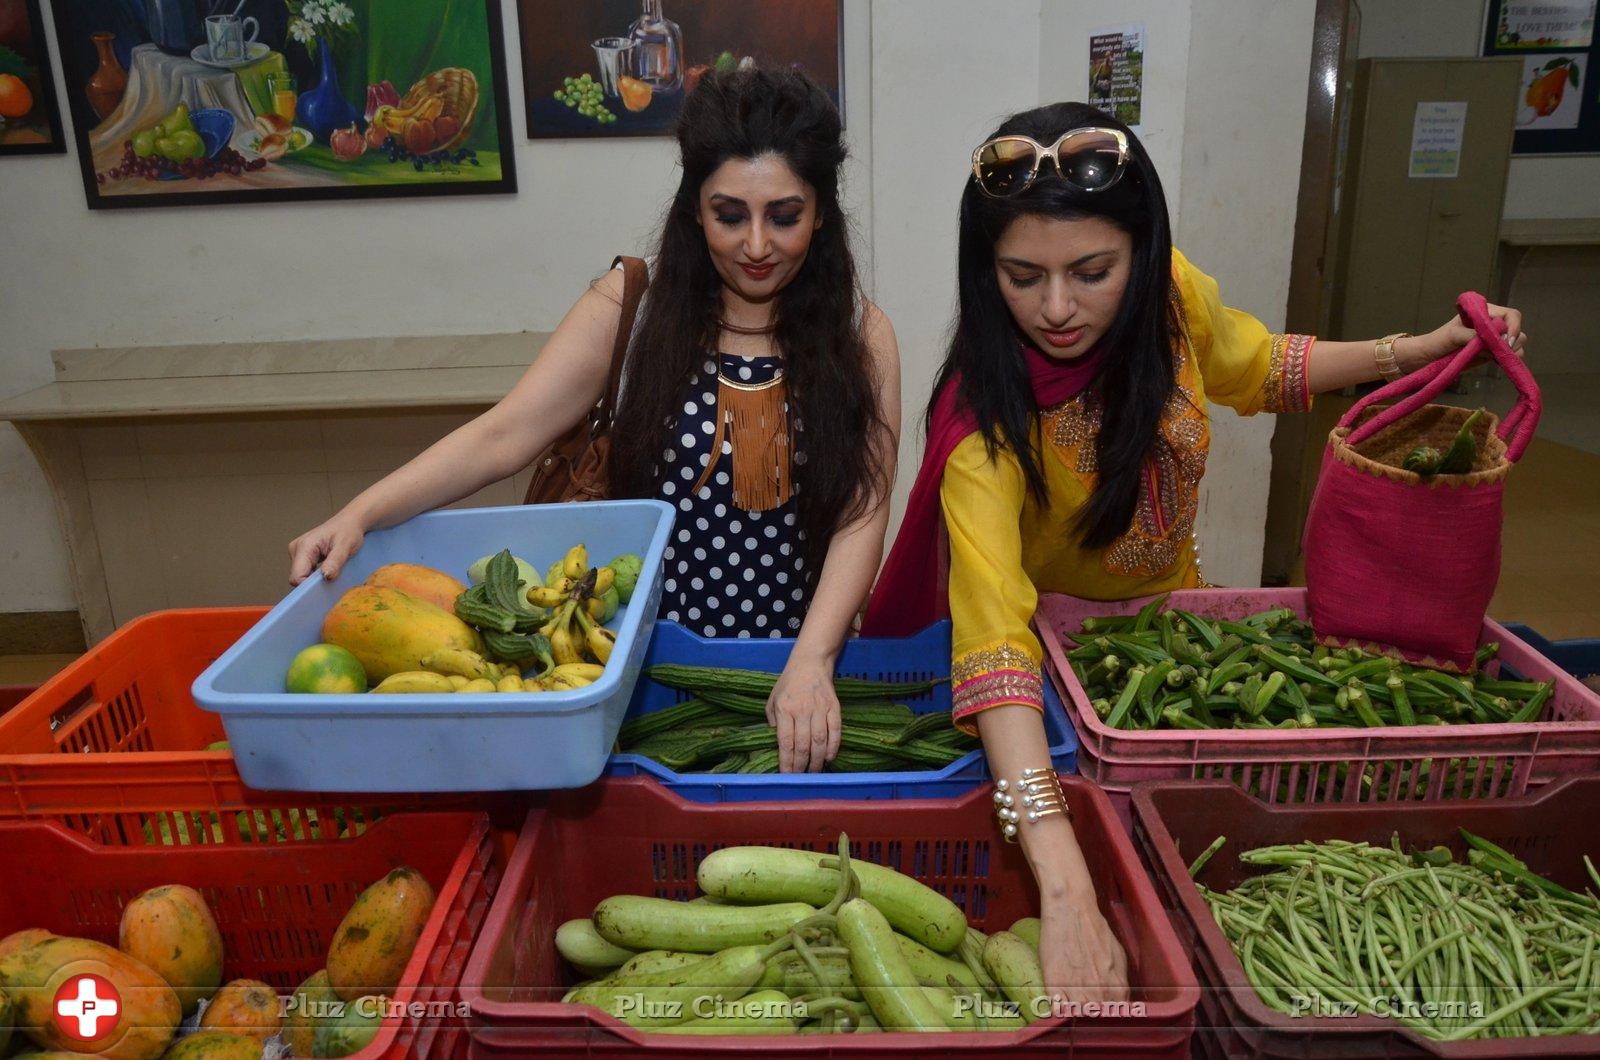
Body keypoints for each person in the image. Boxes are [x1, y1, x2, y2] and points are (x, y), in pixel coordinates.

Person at [863, 101, 1526, 1001]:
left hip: (1181, 647)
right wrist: (1063, 888)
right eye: (1023, 276)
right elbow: (994, 645)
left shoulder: (1172, 298)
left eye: (1092, 271)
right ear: (987, 274)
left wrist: (1416, 351)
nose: (1057, 309)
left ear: (1142, 254)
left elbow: (1258, 367)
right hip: (1063, 689)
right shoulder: (985, 432)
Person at [290, 69, 901, 773]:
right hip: (630, 675)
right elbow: (504, 435)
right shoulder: (633, 311)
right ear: (693, 210)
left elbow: (864, 510)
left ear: (821, 213)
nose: (757, 244)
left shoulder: (862, 335)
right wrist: (360, 513)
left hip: (794, 681)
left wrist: (812, 662)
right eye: (730, 215)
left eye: (785, 216)